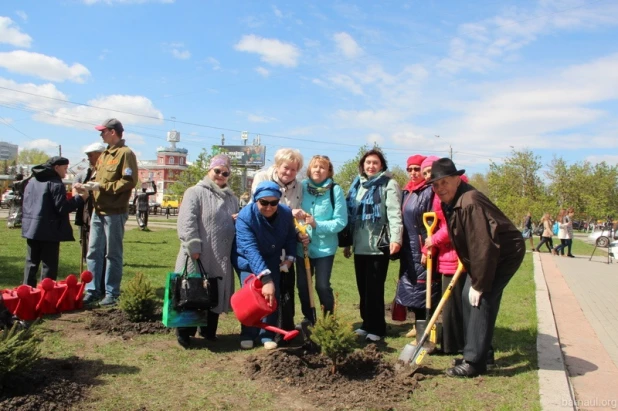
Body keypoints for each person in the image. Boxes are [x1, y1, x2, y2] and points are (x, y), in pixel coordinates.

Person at [428, 158, 525, 377]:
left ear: (456, 179)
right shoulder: (452, 201)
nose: (439, 188)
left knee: (481, 299)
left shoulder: (469, 201)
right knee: (466, 297)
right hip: (487, 254)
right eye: (435, 184)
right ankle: (480, 352)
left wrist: (480, 284)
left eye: (444, 182)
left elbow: (484, 245)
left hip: (503, 254)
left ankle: (474, 363)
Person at [173, 154, 239, 348]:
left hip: (221, 255)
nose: (220, 175)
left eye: (225, 173)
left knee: (213, 292)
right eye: (217, 171)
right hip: (197, 254)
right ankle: (185, 333)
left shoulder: (232, 198)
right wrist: (193, 246)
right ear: (209, 171)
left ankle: (209, 331)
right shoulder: (194, 192)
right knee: (191, 290)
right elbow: (187, 221)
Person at [75, 118, 139, 307]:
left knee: (113, 254)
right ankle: (93, 290)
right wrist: (86, 185)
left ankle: (112, 293)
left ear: (113, 132)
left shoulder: (125, 154)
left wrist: (102, 186)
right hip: (98, 210)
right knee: (93, 252)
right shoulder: (103, 156)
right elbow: (97, 177)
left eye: (103, 131)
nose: (101, 134)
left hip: (114, 211)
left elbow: (129, 181)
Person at [343, 149, 402, 342]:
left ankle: (378, 327)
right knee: (363, 287)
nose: (371, 166)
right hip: (360, 244)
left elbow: (394, 214)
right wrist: (348, 243)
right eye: (368, 163)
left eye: (375, 163)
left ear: (382, 165)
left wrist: (396, 239)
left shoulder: (389, 184)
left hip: (378, 244)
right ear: (362, 165)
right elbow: (352, 216)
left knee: (375, 287)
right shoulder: (357, 185)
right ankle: (366, 323)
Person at [234, 181, 298, 350]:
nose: (269, 207)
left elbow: (291, 237)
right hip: (248, 262)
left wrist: (290, 258)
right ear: (256, 200)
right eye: (264, 202)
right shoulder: (245, 217)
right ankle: (248, 333)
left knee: (271, 299)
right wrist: (266, 278)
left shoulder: (285, 213)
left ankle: (267, 334)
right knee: (251, 299)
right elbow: (250, 249)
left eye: (273, 203)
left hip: (272, 259)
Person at [251, 148, 305, 343]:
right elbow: (260, 207)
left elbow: (298, 216)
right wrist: (289, 211)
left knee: (286, 288)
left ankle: (285, 329)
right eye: (286, 167)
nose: (289, 172)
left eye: (293, 169)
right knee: (263, 287)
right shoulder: (262, 177)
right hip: (264, 241)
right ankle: (260, 330)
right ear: (277, 165)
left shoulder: (299, 187)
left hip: (286, 243)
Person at [420, 156, 465, 355]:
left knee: (453, 302)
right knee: (449, 302)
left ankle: (454, 345)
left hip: (455, 255)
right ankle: (451, 344)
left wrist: (434, 240)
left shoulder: (459, 197)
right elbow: (438, 224)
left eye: (434, 172)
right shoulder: (438, 195)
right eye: (428, 174)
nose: (438, 185)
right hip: (445, 254)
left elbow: (450, 227)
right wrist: (427, 247)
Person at [21, 157, 89, 287]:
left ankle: (26, 294)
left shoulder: (32, 181)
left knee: (31, 263)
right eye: (64, 168)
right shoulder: (55, 183)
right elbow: (62, 208)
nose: (65, 172)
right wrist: (80, 198)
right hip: (49, 230)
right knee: (49, 265)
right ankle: (46, 296)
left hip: (31, 228)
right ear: (56, 167)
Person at [296, 155, 347, 322]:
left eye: (322, 167)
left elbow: (341, 221)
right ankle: (309, 318)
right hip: (302, 246)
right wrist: (298, 232)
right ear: (309, 169)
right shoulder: (301, 187)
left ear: (329, 171)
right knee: (303, 286)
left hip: (325, 247)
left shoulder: (335, 190)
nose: (318, 170)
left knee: (322, 286)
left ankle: (328, 321)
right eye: (315, 166)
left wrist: (317, 224)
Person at [396, 154, 440, 339]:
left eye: (417, 169)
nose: (413, 173)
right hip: (408, 248)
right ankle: (417, 324)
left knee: (423, 289)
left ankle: (428, 327)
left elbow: (435, 222)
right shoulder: (409, 192)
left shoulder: (430, 191)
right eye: (410, 169)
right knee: (411, 288)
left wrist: (427, 249)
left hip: (422, 247)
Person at [74, 142, 107, 288]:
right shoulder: (86, 172)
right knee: (88, 250)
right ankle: (89, 283)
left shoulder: (105, 172)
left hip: (102, 215)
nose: (88, 158)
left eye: (91, 155)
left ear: (100, 154)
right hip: (86, 215)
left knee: (101, 251)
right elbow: (78, 194)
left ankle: (99, 284)